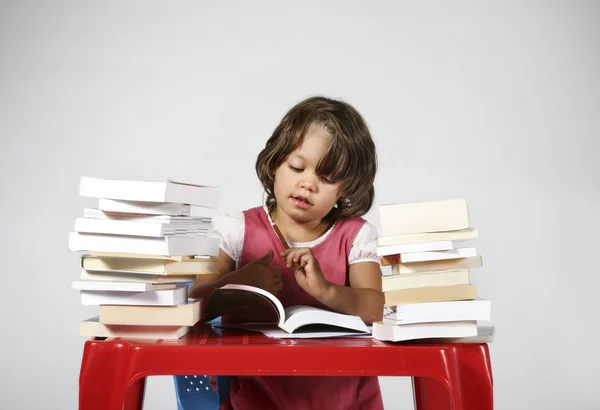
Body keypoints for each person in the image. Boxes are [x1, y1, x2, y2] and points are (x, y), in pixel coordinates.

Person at [190, 95, 385, 410]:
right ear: (275, 162)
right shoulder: (235, 231)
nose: (308, 183)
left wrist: (326, 290)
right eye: (297, 167)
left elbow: (376, 308)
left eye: (327, 177)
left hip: (345, 400)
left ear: (345, 189)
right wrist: (240, 281)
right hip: (253, 400)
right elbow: (195, 304)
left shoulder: (356, 236)